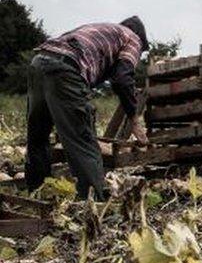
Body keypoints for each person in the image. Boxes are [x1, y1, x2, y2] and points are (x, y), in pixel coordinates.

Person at [25, 16, 149, 200]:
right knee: (82, 140)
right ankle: (93, 204)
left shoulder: (102, 29)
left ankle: (37, 194)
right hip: (65, 69)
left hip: (39, 62)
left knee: (37, 136)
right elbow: (122, 79)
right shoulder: (132, 38)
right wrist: (134, 119)